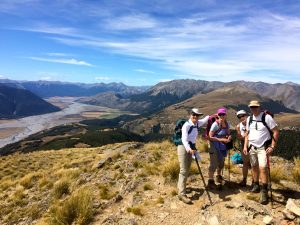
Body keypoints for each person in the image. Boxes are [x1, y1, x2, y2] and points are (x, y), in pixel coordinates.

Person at [243, 100, 279, 204]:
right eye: (251, 107)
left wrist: (272, 146)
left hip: (263, 147)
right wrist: (245, 146)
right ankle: (256, 185)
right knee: (254, 166)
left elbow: (276, 131)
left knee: (263, 168)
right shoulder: (249, 118)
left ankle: (264, 191)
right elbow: (247, 134)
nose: (253, 109)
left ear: (259, 107)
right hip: (252, 147)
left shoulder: (267, 118)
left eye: (255, 107)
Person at [178, 108, 209, 204]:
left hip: (191, 148)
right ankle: (181, 194)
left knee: (187, 169)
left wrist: (212, 116)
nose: (195, 116)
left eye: (197, 115)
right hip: (184, 147)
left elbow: (204, 120)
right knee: (183, 170)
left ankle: (181, 187)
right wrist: (189, 149)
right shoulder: (186, 125)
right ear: (190, 115)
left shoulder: (197, 123)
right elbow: (184, 139)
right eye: (193, 114)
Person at [208, 108, 232, 189]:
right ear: (218, 115)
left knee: (221, 163)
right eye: (220, 114)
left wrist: (229, 137)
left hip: (222, 146)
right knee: (213, 164)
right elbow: (210, 137)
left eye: (223, 114)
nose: (222, 116)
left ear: (225, 115)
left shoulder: (227, 123)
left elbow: (229, 133)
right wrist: (221, 139)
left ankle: (218, 176)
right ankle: (210, 181)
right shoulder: (215, 124)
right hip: (214, 145)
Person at [235, 110, 251, 187]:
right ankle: (244, 179)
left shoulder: (252, 123)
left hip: (253, 144)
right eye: (239, 117)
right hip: (243, 145)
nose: (241, 118)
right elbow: (239, 137)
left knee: (254, 164)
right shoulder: (238, 126)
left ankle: (255, 181)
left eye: (243, 116)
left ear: (246, 115)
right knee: (245, 163)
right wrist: (245, 135)